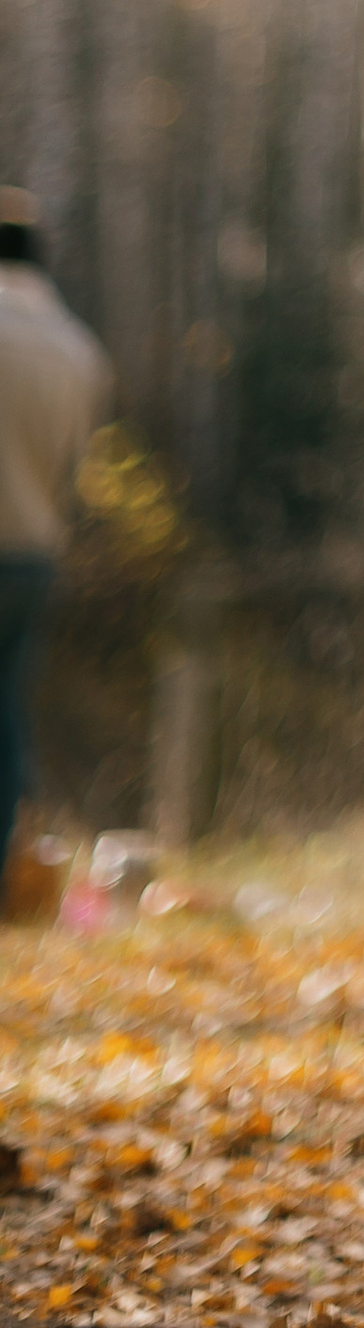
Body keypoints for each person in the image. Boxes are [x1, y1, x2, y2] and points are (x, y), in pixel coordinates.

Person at [0, 188, 111, 871]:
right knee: (8, 713)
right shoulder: (78, 347)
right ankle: (12, 869)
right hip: (34, 553)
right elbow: (79, 467)